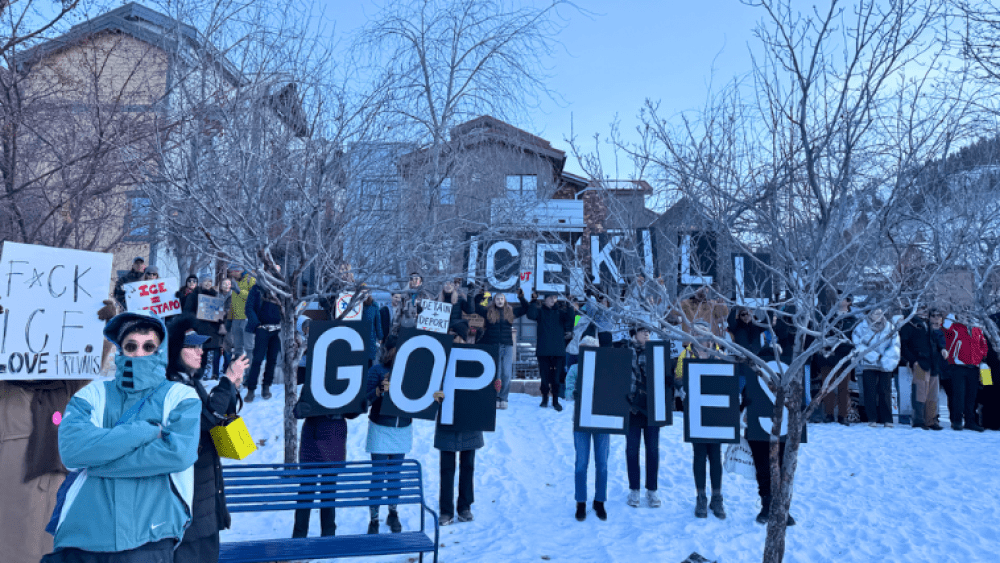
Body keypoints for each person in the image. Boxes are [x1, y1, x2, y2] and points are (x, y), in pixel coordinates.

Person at [43, 312, 202, 563]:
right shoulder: (93, 393)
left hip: (158, 528)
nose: (139, 353)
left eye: (148, 347)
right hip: (84, 534)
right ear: (120, 349)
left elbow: (182, 453)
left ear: (161, 351)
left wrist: (96, 463)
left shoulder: (185, 395)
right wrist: (145, 431)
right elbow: (72, 451)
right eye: (131, 346)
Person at [0, 299, 90, 563]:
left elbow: (89, 357)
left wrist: (100, 323)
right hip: (10, 493)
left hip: (51, 489)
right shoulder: (6, 387)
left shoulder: (65, 384)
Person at [165, 315, 249, 563]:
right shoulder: (171, 387)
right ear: (175, 349)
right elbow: (204, 421)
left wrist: (231, 389)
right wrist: (226, 382)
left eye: (200, 345)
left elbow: (219, 426)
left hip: (206, 498)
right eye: (191, 346)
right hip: (188, 503)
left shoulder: (192, 382)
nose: (200, 351)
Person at [677, 322, 726, 519]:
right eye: (695, 332)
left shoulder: (719, 354)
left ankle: (717, 497)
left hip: (716, 411)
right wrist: (682, 389)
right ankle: (701, 497)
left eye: (702, 332)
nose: (698, 335)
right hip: (695, 411)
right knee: (699, 455)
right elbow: (678, 377)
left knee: (715, 455)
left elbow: (729, 378)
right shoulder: (686, 354)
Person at [365, 336, 411, 535]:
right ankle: (374, 518)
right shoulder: (377, 370)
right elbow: (363, 400)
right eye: (395, 350)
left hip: (403, 429)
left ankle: (393, 513)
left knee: (394, 475)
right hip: (380, 428)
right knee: (378, 476)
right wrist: (378, 390)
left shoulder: (411, 372)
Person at [462, 287, 530, 409]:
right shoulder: (488, 311)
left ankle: (504, 398)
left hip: (506, 345)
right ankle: (496, 397)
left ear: (504, 300)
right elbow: (476, 306)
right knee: (496, 373)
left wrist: (521, 297)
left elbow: (526, 308)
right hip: (493, 345)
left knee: (506, 373)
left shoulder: (511, 311)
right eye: (497, 299)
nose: (499, 301)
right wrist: (481, 294)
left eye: (501, 299)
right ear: (494, 300)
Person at [625, 326, 664, 510]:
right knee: (632, 450)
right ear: (634, 334)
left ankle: (652, 489)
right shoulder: (625, 352)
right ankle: (634, 489)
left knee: (653, 450)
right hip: (632, 408)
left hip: (652, 407)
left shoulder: (657, 352)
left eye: (648, 330)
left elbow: (664, 375)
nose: (646, 333)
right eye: (642, 330)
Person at [570, 336, 609, 521]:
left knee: (602, 463)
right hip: (581, 421)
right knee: (581, 463)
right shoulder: (575, 369)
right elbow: (568, 389)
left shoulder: (606, 369)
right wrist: (574, 393)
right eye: (582, 349)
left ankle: (599, 501)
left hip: (602, 420)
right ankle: (581, 502)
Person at [433, 389, 484, 526]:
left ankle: (465, 507)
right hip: (447, 418)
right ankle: (446, 511)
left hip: (470, 417)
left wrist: (495, 388)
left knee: (468, 466)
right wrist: (434, 394)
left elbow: (491, 382)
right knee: (446, 468)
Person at [852, 308, 901, 428]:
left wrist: (886, 358)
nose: (878, 315)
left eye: (880, 313)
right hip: (868, 363)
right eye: (875, 313)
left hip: (885, 363)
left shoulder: (890, 327)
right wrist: (873, 356)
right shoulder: (861, 327)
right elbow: (858, 344)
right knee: (870, 391)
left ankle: (887, 419)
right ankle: (872, 418)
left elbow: (895, 344)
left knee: (885, 391)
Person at [900, 306, 946, 430]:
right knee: (919, 391)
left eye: (925, 310)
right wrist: (913, 361)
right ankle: (918, 420)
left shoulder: (929, 324)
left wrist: (942, 349)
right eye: (921, 309)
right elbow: (903, 346)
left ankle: (931, 420)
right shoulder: (909, 324)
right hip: (920, 363)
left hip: (933, 364)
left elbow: (937, 341)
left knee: (933, 394)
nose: (923, 312)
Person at [528, 293, 575, 411]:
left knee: (556, 378)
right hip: (543, 350)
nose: (553, 300)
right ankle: (544, 399)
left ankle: (555, 401)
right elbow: (531, 315)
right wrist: (533, 301)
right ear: (545, 300)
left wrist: (569, 305)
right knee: (544, 377)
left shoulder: (560, 313)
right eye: (550, 298)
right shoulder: (540, 312)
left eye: (554, 298)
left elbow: (571, 319)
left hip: (558, 351)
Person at [814, 294, 856, 425]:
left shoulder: (852, 319)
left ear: (848, 301)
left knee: (844, 388)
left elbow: (853, 339)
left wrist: (843, 348)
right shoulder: (828, 318)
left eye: (841, 298)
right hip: (828, 356)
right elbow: (822, 336)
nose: (838, 300)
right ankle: (829, 414)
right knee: (827, 387)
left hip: (844, 357)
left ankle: (843, 415)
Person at [943, 315, 987, 432]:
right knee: (959, 395)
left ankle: (970, 421)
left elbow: (983, 344)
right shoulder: (955, 327)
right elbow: (945, 326)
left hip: (974, 367)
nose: (966, 317)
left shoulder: (977, 329)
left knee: (971, 397)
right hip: (958, 367)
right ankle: (957, 421)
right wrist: (953, 313)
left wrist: (981, 356)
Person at [244, 278, 282, 402]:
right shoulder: (257, 289)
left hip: (277, 330)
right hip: (262, 329)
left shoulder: (280, 289)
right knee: (257, 360)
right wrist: (257, 325)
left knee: (272, 360)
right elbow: (249, 308)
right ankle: (251, 389)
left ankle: (266, 386)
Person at [182, 277, 224, 380]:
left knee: (215, 352)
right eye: (206, 281)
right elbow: (187, 312)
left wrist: (221, 319)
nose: (208, 283)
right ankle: (198, 376)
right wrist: (193, 322)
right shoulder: (193, 295)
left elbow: (221, 312)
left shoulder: (216, 295)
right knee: (202, 353)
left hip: (214, 328)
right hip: (199, 328)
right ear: (201, 283)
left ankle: (214, 375)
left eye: (210, 281)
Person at [228, 265, 257, 360]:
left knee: (249, 347)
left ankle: (250, 368)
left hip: (247, 319)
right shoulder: (235, 281)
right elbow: (233, 302)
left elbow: (253, 297)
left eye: (232, 272)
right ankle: (238, 367)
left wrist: (239, 291)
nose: (231, 274)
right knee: (237, 347)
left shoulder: (251, 279)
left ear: (239, 270)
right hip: (236, 319)